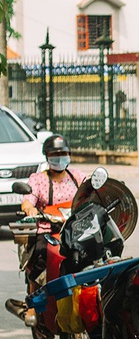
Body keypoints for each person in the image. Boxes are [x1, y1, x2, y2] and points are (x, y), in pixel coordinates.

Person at [5, 135, 86, 327]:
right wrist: (29, 208)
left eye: (63, 153)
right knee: (41, 258)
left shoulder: (78, 176)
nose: (60, 157)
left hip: (76, 230)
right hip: (48, 231)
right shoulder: (38, 179)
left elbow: (91, 192)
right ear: (47, 156)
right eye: (55, 154)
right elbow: (28, 198)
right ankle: (33, 305)